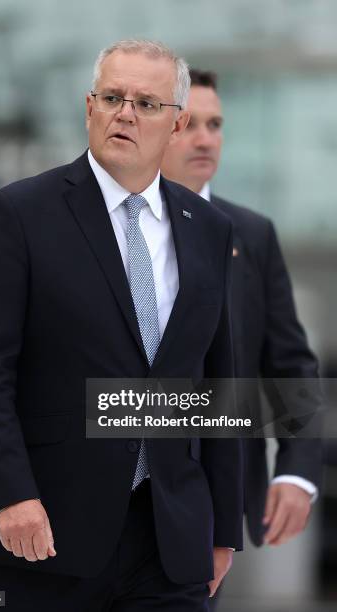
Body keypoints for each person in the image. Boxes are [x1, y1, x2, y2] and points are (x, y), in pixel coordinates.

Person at [0, 42, 243, 611]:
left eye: (146, 103)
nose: (125, 113)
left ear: (178, 123)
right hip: (43, 531)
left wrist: (223, 525)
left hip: (171, 536)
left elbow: (216, 384)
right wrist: (11, 496)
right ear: (90, 107)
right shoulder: (19, 214)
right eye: (112, 97)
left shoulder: (208, 227)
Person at [162, 69, 322, 604]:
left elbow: (290, 363)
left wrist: (297, 472)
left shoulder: (252, 234)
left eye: (216, 124)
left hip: (214, 502)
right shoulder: (100, 227)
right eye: (189, 124)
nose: (206, 138)